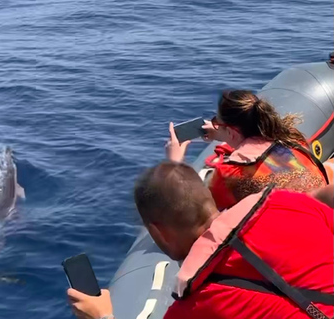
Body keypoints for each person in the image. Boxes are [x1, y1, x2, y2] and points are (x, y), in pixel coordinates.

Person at [67, 161, 334, 319]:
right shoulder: (288, 203)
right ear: (209, 198)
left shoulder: (195, 307)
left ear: (157, 232)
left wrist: (102, 315)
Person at [166, 90, 330, 210]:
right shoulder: (292, 137)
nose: (214, 124)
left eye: (217, 122)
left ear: (231, 131)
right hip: (326, 217)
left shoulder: (231, 173)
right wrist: (223, 132)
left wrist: (174, 163)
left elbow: (196, 209)